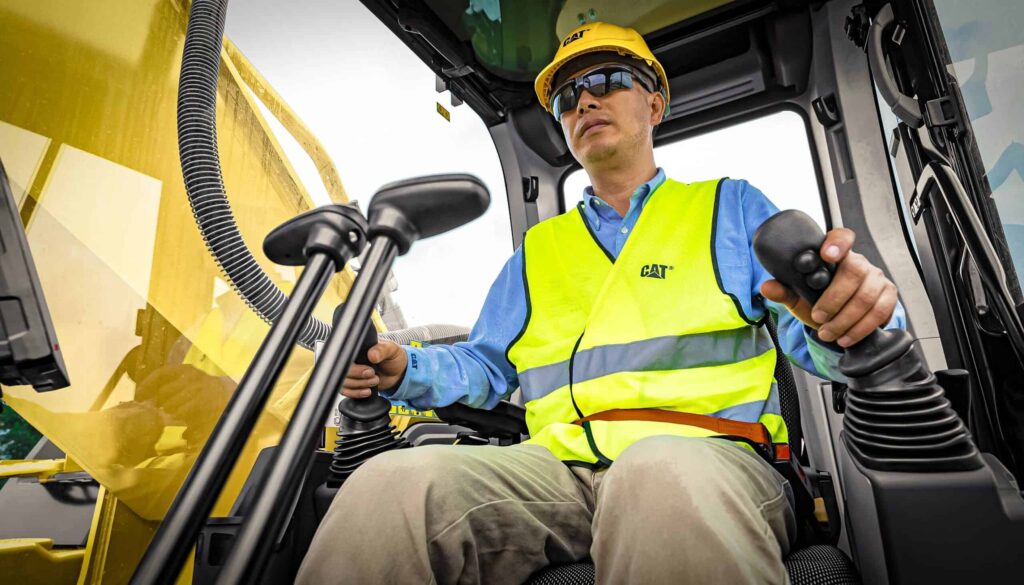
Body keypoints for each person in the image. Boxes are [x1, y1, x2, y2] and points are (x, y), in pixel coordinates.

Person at [298, 21, 904, 585]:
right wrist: (403, 371)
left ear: (654, 106)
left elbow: (823, 338)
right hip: (554, 475)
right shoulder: (539, 250)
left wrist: (850, 318)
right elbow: (484, 365)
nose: (585, 101)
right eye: (568, 97)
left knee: (655, 475)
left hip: (709, 456)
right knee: (390, 485)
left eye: (608, 81)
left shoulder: (729, 208)